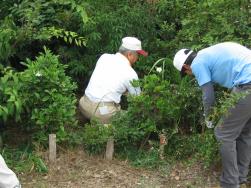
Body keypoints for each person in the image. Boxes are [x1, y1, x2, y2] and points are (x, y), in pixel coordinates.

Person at [173, 42, 251, 188]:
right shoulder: (208, 53)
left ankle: (230, 183)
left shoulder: (197, 63)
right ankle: (241, 178)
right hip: (246, 82)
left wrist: (209, 118)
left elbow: (208, 96)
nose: (191, 75)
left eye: (187, 74)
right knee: (245, 132)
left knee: (223, 133)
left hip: (247, 84)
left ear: (186, 67)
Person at [79, 36, 148, 124]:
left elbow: (108, 83)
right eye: (137, 55)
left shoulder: (104, 57)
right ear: (129, 54)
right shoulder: (130, 73)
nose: (138, 58)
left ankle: (92, 122)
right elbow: (138, 100)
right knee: (133, 117)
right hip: (102, 114)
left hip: (84, 106)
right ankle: (105, 127)